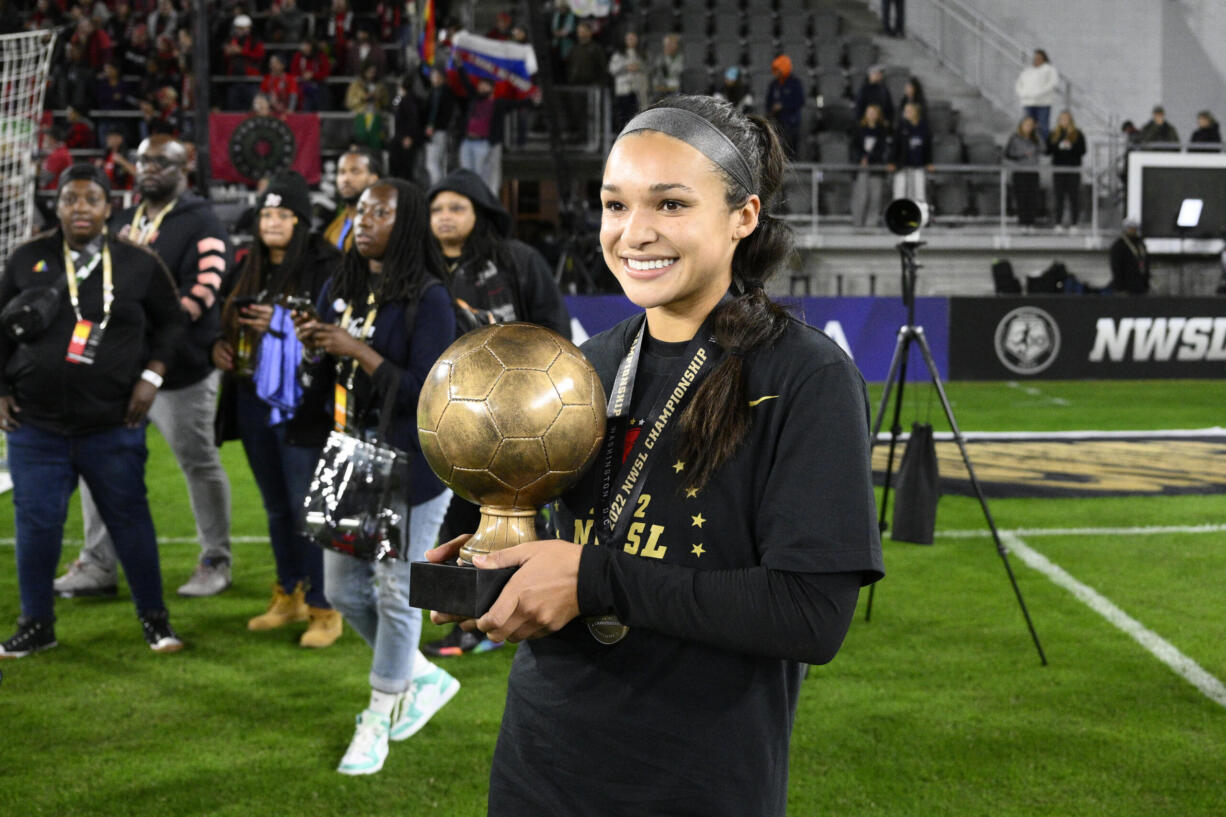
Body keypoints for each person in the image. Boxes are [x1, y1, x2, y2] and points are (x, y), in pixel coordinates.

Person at [425, 94, 883, 814]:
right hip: (539, 761)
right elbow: (584, 542)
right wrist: (498, 568)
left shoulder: (805, 376)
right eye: (615, 205)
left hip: (694, 779)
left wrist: (591, 579)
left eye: (670, 205)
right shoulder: (583, 366)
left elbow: (810, 616)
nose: (634, 233)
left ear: (744, 216)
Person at [293, 179, 461, 775]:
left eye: (380, 212)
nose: (364, 220)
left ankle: (378, 716)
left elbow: (426, 392)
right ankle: (421, 675)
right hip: (352, 452)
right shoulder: (340, 284)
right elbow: (330, 376)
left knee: (395, 591)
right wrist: (315, 348)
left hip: (412, 461)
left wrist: (354, 348)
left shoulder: (431, 298)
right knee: (340, 590)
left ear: (407, 222)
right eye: (360, 210)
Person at [0, 164, 188, 657]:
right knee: (37, 527)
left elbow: (172, 323)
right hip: (35, 427)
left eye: (91, 200)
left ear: (109, 208)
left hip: (112, 425)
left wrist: (152, 377)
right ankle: (36, 624)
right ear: (56, 206)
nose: (79, 207)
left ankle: (155, 621)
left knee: (131, 524)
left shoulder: (137, 262)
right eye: (69, 199)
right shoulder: (26, 258)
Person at [54, 136, 235, 599]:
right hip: (122, 370)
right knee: (101, 460)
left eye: (161, 161)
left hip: (182, 371)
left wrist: (153, 340)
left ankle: (216, 559)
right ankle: (97, 564)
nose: (149, 168)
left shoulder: (202, 222)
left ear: (185, 166)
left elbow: (204, 293)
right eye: (143, 160)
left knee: (197, 462)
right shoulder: (125, 218)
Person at [422, 167, 573, 658]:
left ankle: (531, 604)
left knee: (524, 515)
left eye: (456, 207)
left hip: (521, 414)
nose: (445, 217)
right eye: (437, 209)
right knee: (456, 519)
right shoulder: (423, 268)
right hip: (450, 415)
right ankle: (471, 618)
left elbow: (552, 328)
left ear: (479, 212)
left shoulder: (518, 260)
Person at [213, 171, 343, 648]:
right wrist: (216, 348)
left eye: (282, 214)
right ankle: (289, 593)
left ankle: (325, 607)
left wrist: (284, 320)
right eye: (266, 214)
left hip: (303, 403)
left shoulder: (326, 264)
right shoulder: (247, 265)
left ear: (300, 221)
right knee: (274, 506)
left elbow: (336, 325)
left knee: (306, 507)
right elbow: (216, 319)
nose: (272, 222)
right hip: (249, 397)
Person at [324, 146, 382, 252]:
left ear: (373, 179)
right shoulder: (333, 229)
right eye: (342, 172)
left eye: (355, 171)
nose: (346, 179)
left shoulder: (380, 227)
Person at [850, 103, 890, 227]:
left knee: (875, 197)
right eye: (869, 112)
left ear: (877, 116)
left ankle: (871, 224)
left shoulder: (882, 131)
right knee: (861, 196)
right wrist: (861, 158)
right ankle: (858, 222)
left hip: (876, 167)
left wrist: (870, 159)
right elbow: (854, 147)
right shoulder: (859, 129)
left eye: (874, 113)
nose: (871, 115)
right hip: (862, 167)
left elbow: (882, 149)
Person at [1047, 109, 1086, 230]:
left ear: (1071, 120)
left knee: (1074, 197)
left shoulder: (1078, 134)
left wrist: (1071, 146)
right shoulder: (1054, 134)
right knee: (1059, 197)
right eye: (1062, 119)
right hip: (1059, 170)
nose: (1064, 121)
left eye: (1067, 119)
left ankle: (1074, 223)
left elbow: (1083, 150)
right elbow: (1048, 150)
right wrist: (1058, 146)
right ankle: (1058, 223)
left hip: (1073, 170)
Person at [888, 101, 932, 203]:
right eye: (905, 111)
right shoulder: (900, 128)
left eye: (909, 111)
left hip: (918, 167)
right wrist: (892, 161)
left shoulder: (924, 128)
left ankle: (919, 218)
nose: (905, 113)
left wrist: (928, 162)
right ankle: (899, 218)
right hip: (902, 167)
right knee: (899, 195)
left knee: (919, 196)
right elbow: (895, 146)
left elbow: (927, 147)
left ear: (915, 112)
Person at [422, 65, 458, 186]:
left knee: (433, 163)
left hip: (439, 131)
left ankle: (437, 187)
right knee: (435, 163)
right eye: (432, 76)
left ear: (442, 78)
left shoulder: (446, 93)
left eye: (437, 76)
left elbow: (445, 115)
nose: (434, 79)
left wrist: (433, 127)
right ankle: (439, 187)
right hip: (433, 131)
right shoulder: (432, 92)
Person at [1005, 115, 1042, 229]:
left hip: (1033, 172)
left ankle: (1031, 223)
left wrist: (1038, 134)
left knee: (1032, 198)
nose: (1028, 127)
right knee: (1021, 198)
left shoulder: (1036, 138)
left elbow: (1044, 149)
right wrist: (1022, 155)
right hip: (1020, 172)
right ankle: (1022, 222)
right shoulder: (1015, 138)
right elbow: (1008, 154)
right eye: (1026, 125)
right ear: (1021, 125)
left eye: (1031, 125)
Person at [609, 30, 649, 131]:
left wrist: (638, 67)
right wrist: (626, 67)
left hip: (638, 90)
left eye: (633, 39)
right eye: (629, 39)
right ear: (625, 40)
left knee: (636, 115)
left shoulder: (642, 54)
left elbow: (649, 68)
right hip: (624, 91)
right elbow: (612, 69)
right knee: (623, 116)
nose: (631, 41)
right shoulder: (618, 55)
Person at [1014, 49, 1058, 140]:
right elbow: (1019, 84)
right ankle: (1028, 147)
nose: (1037, 60)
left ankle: (1044, 148)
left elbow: (1053, 83)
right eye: (1035, 58)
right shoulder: (1027, 70)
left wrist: (1038, 93)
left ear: (1044, 58)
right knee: (1027, 127)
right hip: (1027, 103)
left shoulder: (1049, 69)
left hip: (1043, 103)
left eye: (1039, 58)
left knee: (1043, 127)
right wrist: (1023, 93)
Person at [766, 54, 805, 159]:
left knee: (792, 150)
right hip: (777, 122)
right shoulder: (774, 84)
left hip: (792, 122)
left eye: (778, 69)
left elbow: (800, 101)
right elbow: (768, 102)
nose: (776, 72)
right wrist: (771, 110)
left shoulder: (795, 83)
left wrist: (783, 106)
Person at [1109, 217, 1149, 295]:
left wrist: (1145, 284)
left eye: (1135, 228)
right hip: (1126, 287)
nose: (1133, 230)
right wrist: (1120, 287)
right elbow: (1116, 267)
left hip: (1140, 286)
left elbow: (1145, 262)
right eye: (1131, 228)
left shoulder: (1140, 244)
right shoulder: (1119, 245)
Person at [649, 33, 683, 101]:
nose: (667, 46)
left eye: (670, 44)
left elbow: (674, 72)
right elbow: (653, 72)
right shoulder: (660, 57)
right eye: (666, 44)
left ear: (676, 45)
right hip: (659, 89)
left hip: (673, 88)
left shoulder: (681, 58)